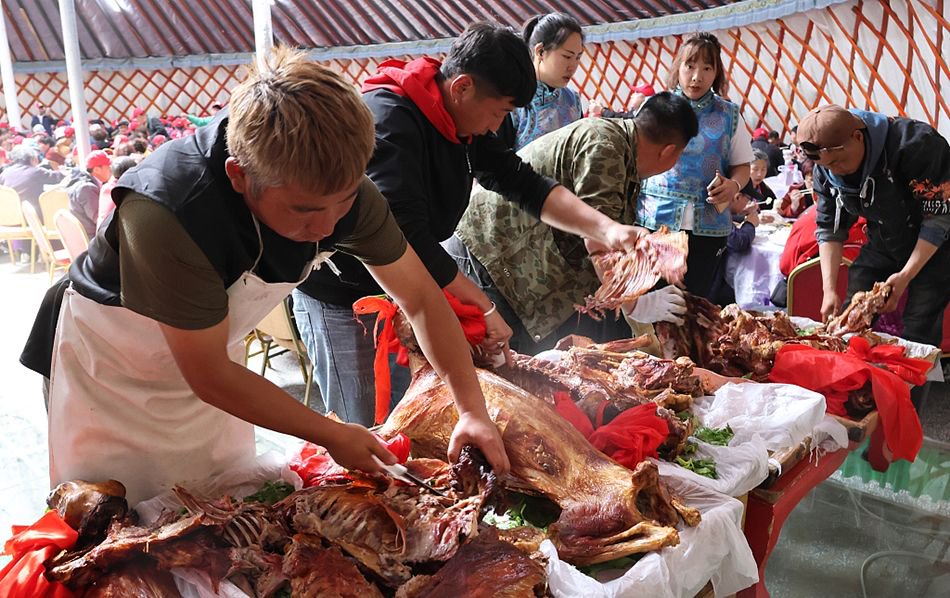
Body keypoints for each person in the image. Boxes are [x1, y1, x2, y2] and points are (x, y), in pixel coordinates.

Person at [19, 47, 509, 505]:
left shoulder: (343, 191)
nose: (327, 227)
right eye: (304, 211)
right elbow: (208, 374)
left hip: (213, 363)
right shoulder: (169, 212)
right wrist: (331, 433)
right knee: (117, 517)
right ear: (239, 175)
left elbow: (420, 298)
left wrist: (471, 410)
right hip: (112, 370)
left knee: (219, 507)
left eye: (343, 203)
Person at [292, 22, 646, 427]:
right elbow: (407, 238)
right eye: (499, 112)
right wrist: (482, 304)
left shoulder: (460, 119)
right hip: (343, 294)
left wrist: (607, 230)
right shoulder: (391, 121)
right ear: (462, 87)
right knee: (364, 421)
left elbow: (524, 183)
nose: (497, 126)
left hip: (407, 287)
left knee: (410, 415)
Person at [452, 92, 698, 354]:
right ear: (669, 151)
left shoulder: (621, 148)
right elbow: (598, 238)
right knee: (498, 361)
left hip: (512, 264)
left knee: (523, 361)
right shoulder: (605, 146)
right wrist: (636, 305)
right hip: (489, 256)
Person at [802, 104, 950, 347]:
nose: (835, 170)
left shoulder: (916, 144)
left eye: (839, 161)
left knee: (918, 329)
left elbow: (938, 218)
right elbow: (830, 228)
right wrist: (829, 290)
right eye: (828, 166)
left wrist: (905, 275)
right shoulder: (826, 169)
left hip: (936, 246)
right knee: (848, 320)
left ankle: (916, 371)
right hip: (884, 237)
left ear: (857, 137)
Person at [636, 32, 753, 299]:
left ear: (717, 73)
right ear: (678, 67)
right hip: (656, 220)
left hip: (709, 226)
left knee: (695, 302)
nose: (697, 77)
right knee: (652, 299)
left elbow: (742, 166)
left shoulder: (729, 114)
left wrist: (734, 185)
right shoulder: (655, 107)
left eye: (707, 68)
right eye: (690, 66)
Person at [500, 13, 585, 150]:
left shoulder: (572, 100)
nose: (573, 66)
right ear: (540, 52)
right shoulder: (511, 100)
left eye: (578, 58)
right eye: (567, 56)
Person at [63, 150, 112, 237]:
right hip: (92, 238)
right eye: (108, 168)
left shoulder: (83, 183)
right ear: (97, 169)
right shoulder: (87, 189)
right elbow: (101, 220)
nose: (111, 171)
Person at [0, 145, 64, 212]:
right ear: (32, 159)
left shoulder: (5, 173)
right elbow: (57, 177)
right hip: (32, 212)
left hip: (11, 211)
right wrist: (63, 171)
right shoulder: (35, 171)